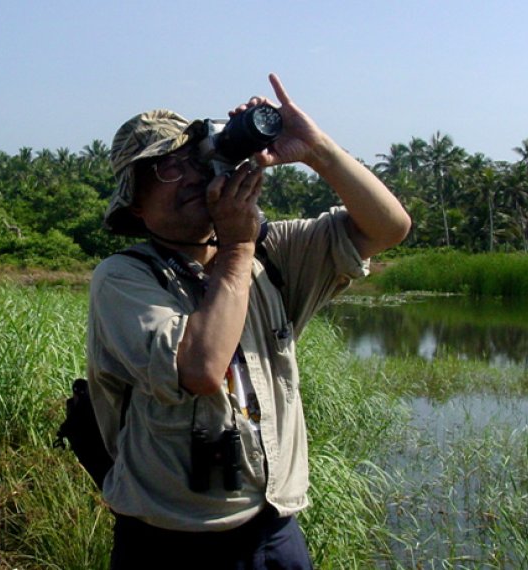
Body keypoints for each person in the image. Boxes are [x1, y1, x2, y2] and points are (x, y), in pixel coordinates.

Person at [87, 73, 411, 569]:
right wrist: (236, 249)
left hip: (274, 528)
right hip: (171, 539)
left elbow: (389, 227)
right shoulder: (123, 277)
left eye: (196, 159)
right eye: (167, 170)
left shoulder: (273, 253)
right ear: (135, 202)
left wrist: (316, 150)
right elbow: (199, 368)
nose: (192, 175)